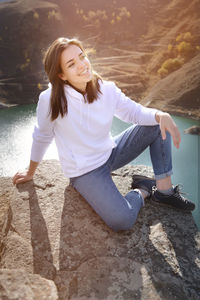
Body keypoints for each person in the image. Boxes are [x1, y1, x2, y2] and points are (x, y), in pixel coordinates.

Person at [12, 37, 195, 232]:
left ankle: (164, 192)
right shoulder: (50, 100)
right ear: (62, 75)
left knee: (158, 123)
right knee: (121, 221)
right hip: (84, 172)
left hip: (111, 153)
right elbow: (42, 136)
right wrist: (31, 172)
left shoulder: (105, 88)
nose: (82, 65)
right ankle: (143, 190)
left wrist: (160, 115)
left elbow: (133, 113)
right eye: (71, 64)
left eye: (82, 57)